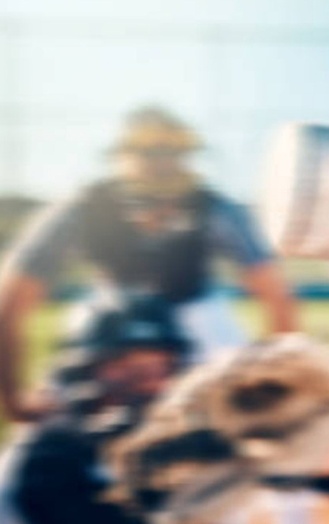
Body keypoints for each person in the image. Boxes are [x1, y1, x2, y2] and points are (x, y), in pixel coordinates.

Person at [0, 106, 299, 424]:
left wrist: (272, 386)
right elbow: (13, 297)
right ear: (124, 157)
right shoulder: (86, 206)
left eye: (170, 153)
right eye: (150, 154)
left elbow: (275, 294)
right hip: (109, 313)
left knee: (241, 416)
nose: (161, 165)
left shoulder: (214, 208)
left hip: (196, 310)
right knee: (63, 414)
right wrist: (14, 398)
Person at [2, 297, 329, 524]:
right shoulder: (47, 455)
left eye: (159, 367)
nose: (147, 382)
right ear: (85, 369)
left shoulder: (189, 432)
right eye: (124, 366)